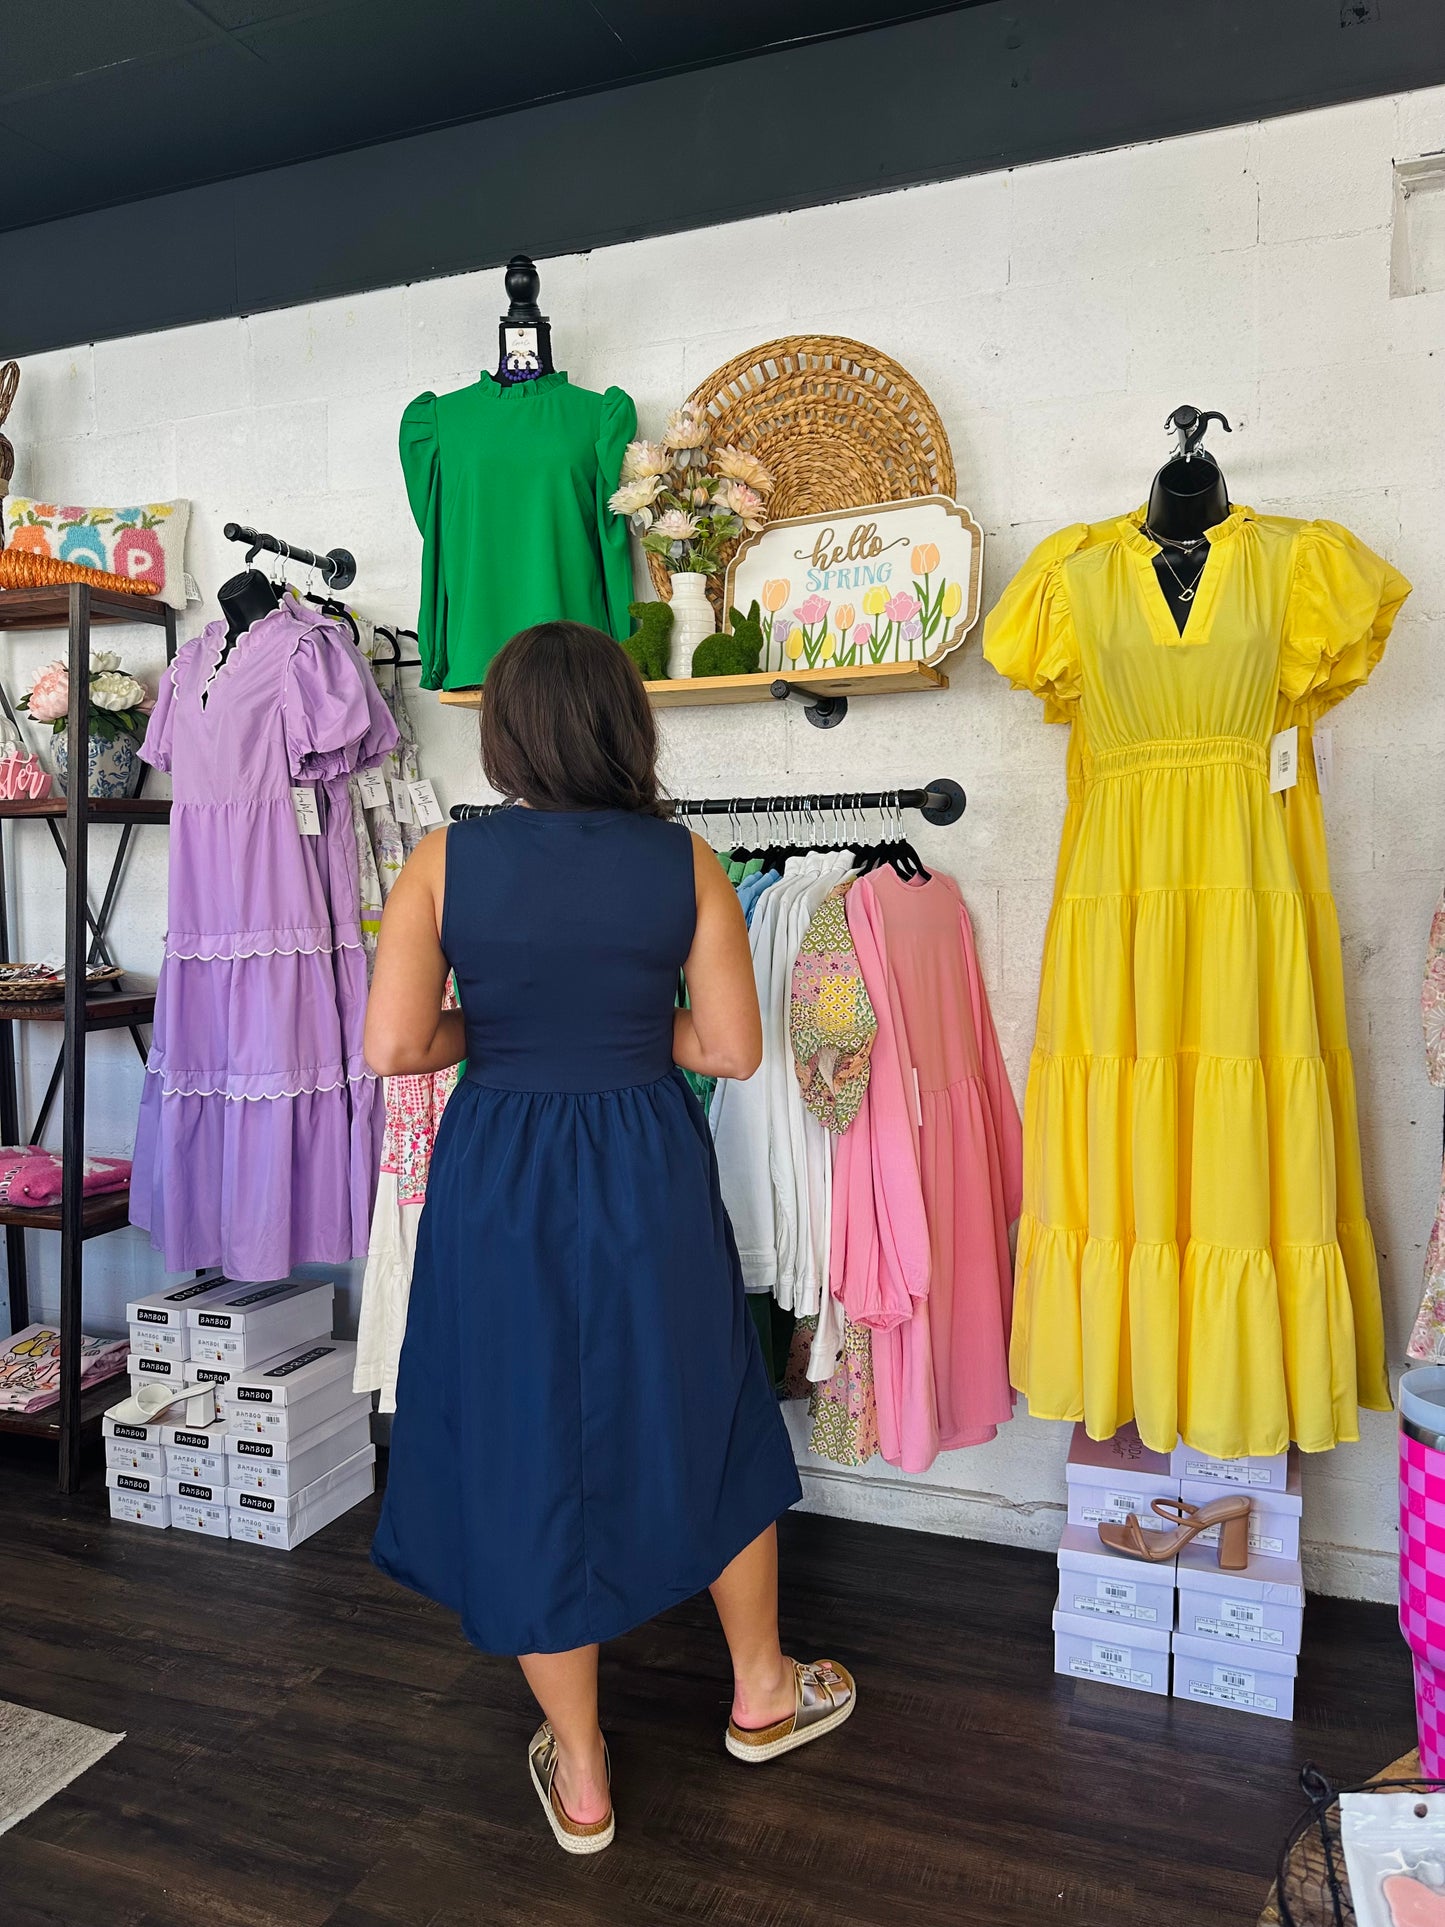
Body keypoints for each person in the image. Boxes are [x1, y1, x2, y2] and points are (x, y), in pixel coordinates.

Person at [364, 621, 856, 1854]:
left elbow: (397, 1047)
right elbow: (731, 1050)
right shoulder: (684, 860)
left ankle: (580, 1773)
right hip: (642, 1163)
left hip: (501, 1175)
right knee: (704, 1406)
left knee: (526, 1435)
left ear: (506, 735)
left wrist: (501, 1036)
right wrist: (633, 1042)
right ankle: (757, 1691)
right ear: (623, 726)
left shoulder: (440, 863)